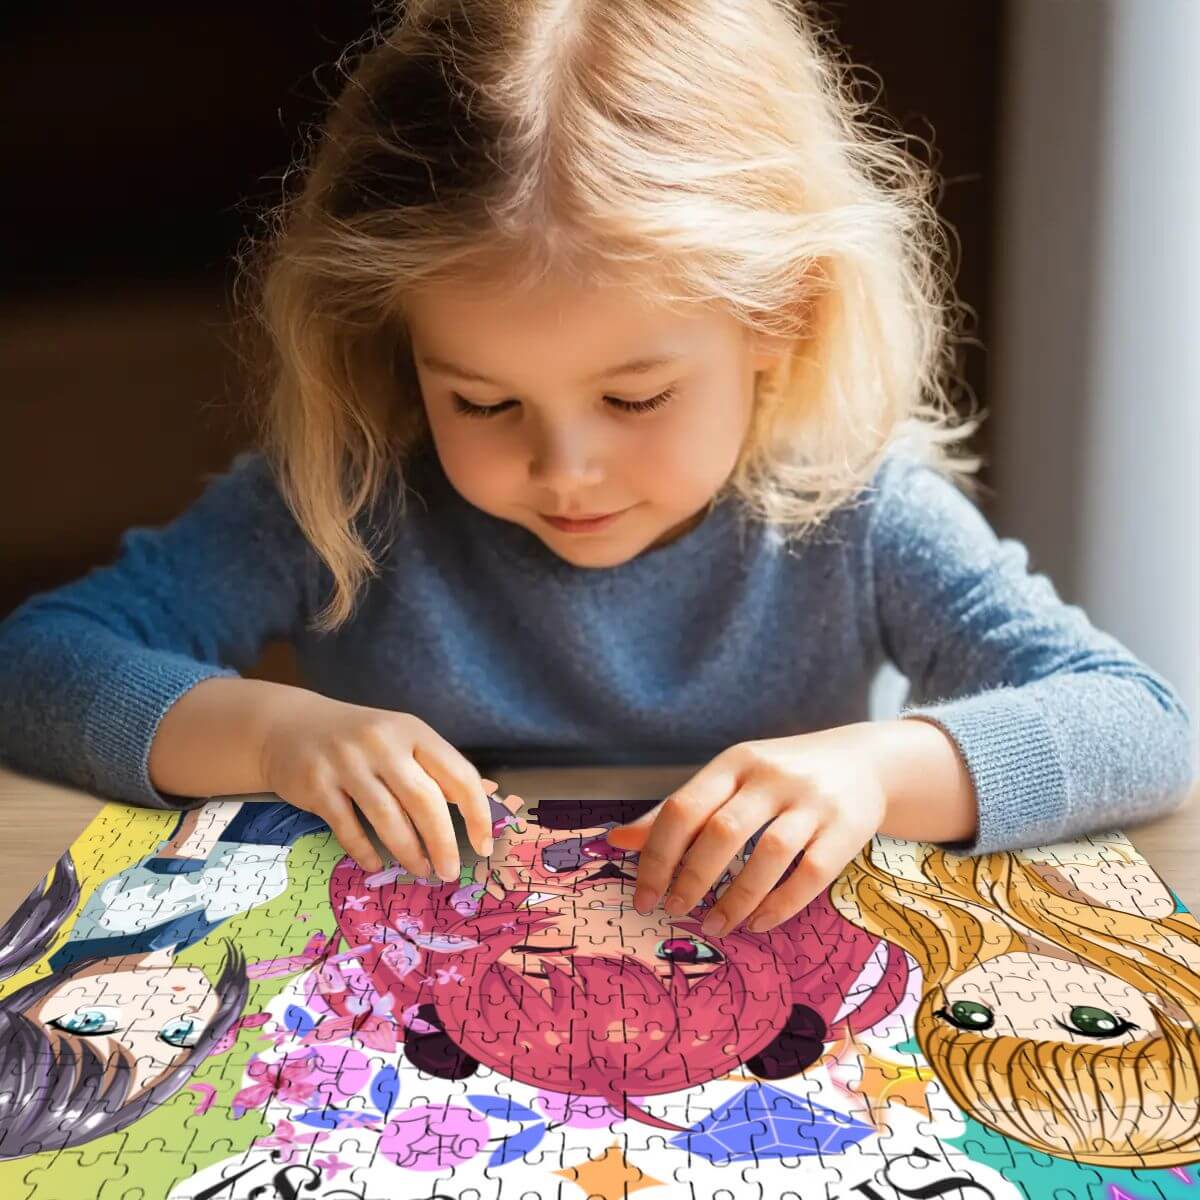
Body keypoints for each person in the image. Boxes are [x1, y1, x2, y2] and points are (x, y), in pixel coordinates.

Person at [0, 0, 1191, 940]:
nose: (563, 467)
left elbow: (1142, 727)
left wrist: (877, 773)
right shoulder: (348, 492)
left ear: (780, 315)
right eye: (479, 399)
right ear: (400, 345)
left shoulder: (858, 511)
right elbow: (34, 665)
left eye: (635, 397)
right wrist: (270, 738)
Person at [831, 837, 1200, 1165]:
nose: (1005, 998)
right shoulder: (1114, 891)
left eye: (971, 1017)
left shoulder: (875, 919)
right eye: (1091, 1021)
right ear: (1170, 1008)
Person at [0, 799, 329, 1157]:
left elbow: (198, 831)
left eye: (93, 1020)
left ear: (27, 1002)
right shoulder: (163, 941)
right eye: (177, 1033)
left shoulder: (123, 919)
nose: (155, 1008)